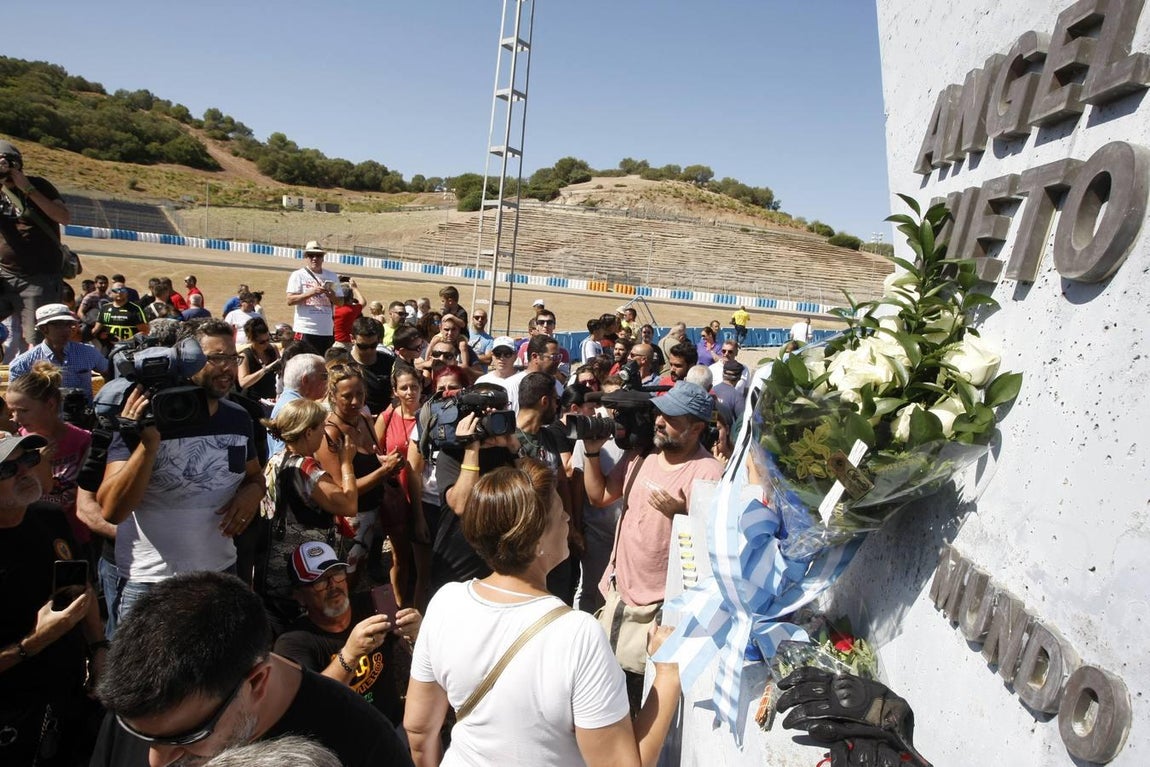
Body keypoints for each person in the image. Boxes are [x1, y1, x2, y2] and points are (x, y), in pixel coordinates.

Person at [404, 458, 681, 767]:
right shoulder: (578, 634)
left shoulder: (445, 602)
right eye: (559, 513)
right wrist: (667, 674)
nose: (567, 518)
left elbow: (419, 732)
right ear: (537, 540)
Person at [90, 571, 413, 767]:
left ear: (257, 682)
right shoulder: (140, 709)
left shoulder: (364, 746)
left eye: (190, 736)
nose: (154, 760)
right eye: (139, 735)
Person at [97, 320, 266, 625]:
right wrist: (148, 446)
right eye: (215, 358)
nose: (227, 368)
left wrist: (253, 491)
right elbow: (112, 509)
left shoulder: (239, 418)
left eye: (232, 358)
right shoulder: (145, 416)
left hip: (220, 576)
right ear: (186, 359)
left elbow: (254, 476)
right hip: (149, 584)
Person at [581, 381, 723, 693]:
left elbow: (712, 549)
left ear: (697, 428)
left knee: (640, 692)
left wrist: (681, 515)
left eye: (671, 418)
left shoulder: (708, 473)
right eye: (659, 413)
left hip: (659, 609)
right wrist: (591, 452)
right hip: (617, 595)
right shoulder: (640, 456)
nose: (659, 421)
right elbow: (599, 496)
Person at [0, 432, 106, 767]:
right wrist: (34, 641)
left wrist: (98, 648)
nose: (24, 472)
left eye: (28, 460)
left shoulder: (49, 516)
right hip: (12, 711)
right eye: (7, 469)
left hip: (68, 694)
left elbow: (80, 585)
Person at [274, 542, 422, 729]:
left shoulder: (373, 604)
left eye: (337, 573)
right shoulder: (292, 642)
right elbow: (310, 707)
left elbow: (410, 648)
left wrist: (417, 634)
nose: (332, 585)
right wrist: (350, 655)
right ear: (299, 596)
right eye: (319, 581)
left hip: (391, 724)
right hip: (342, 739)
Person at [316, 363, 404, 579]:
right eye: (347, 396)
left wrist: (385, 461)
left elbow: (373, 458)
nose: (356, 401)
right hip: (350, 523)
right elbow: (342, 492)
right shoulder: (330, 434)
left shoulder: (364, 419)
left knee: (365, 573)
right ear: (333, 396)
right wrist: (385, 471)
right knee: (346, 578)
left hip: (375, 513)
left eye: (360, 394)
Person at [6, 361, 97, 551]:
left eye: (23, 411)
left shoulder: (83, 441)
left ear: (50, 404)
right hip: (32, 538)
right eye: (11, 411)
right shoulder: (15, 445)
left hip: (76, 538)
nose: (16, 418)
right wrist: (40, 462)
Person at [0, 139, 71, 362]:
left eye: (6, 163)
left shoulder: (39, 185)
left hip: (39, 278)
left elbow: (63, 217)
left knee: (38, 339)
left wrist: (28, 190)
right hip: (5, 273)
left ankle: (37, 378)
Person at [374, 366, 426, 606]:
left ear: (421, 387)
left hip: (424, 495)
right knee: (400, 557)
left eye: (414, 386)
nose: (409, 392)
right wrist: (384, 461)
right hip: (396, 497)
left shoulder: (429, 416)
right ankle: (399, 606)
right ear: (395, 391)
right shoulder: (387, 418)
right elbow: (373, 453)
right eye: (404, 388)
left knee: (423, 557)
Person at [8, 303, 108, 400]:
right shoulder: (23, 363)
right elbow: (15, 398)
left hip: (83, 411)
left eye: (69, 324)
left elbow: (110, 374)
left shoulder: (88, 352)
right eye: (59, 325)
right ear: (43, 329)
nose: (67, 330)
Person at [286, 241, 338, 354]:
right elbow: (290, 300)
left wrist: (331, 295)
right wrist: (311, 293)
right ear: (306, 257)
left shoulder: (332, 276)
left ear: (323, 258)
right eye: (311, 255)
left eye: (318, 255)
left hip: (326, 331)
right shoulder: (298, 275)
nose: (315, 258)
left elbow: (341, 302)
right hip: (305, 329)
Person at [351, 316, 395, 416]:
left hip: (384, 417)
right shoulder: (344, 364)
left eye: (373, 345)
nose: (369, 351)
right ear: (352, 339)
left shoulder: (388, 362)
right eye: (363, 346)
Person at [237, 317, 282, 409]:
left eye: (268, 340)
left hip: (272, 400)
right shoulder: (245, 356)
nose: (266, 344)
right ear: (251, 340)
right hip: (253, 402)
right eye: (262, 342)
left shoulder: (273, 349)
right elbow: (243, 383)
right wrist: (266, 369)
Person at [92, 281, 148, 348]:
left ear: (126, 293)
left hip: (129, 348)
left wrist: (125, 341)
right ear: (111, 293)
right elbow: (96, 330)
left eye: (122, 290)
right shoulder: (105, 308)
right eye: (115, 290)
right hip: (107, 347)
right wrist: (98, 335)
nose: (119, 292)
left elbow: (145, 331)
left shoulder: (135, 309)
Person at [331, 278, 365, 348]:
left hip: (335, 341)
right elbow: (363, 302)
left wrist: (336, 282)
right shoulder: (351, 310)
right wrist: (355, 288)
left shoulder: (335, 308)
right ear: (350, 299)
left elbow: (332, 295)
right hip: (347, 343)